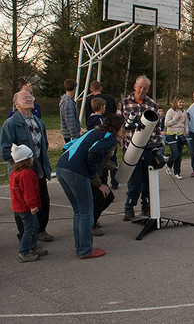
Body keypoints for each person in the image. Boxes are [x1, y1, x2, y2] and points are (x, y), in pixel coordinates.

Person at [56, 114, 125, 259]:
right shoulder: (109, 137)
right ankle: (86, 250)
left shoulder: (95, 131)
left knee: (78, 211)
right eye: (123, 128)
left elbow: (67, 146)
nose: (124, 131)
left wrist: (113, 168)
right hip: (77, 172)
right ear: (117, 127)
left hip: (62, 167)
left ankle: (81, 247)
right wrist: (97, 182)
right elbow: (94, 154)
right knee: (86, 211)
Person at [1, 90, 54, 242]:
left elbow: (44, 145)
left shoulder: (38, 122)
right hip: (23, 174)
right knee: (24, 206)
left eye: (31, 97)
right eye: (25, 98)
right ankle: (24, 237)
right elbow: (5, 150)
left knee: (43, 201)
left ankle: (40, 231)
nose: (29, 99)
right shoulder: (11, 124)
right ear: (16, 104)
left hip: (39, 171)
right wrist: (21, 163)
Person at [117, 75, 161, 221]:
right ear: (135, 86)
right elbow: (119, 125)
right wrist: (122, 142)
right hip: (131, 147)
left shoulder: (152, 104)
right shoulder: (124, 103)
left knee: (147, 179)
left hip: (147, 147)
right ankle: (129, 207)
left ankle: (146, 205)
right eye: (140, 87)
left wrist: (156, 142)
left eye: (145, 88)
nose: (142, 90)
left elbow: (156, 127)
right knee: (134, 180)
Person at [10, 143, 47, 263]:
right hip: (26, 207)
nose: (32, 159)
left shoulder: (15, 172)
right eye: (31, 157)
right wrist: (33, 205)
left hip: (19, 206)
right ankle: (24, 251)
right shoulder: (26, 174)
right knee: (30, 228)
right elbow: (28, 191)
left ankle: (32, 247)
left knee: (33, 227)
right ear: (26, 160)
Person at [84, 81, 118, 189]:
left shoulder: (89, 101)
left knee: (103, 159)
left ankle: (103, 180)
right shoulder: (110, 99)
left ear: (91, 89)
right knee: (110, 157)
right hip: (108, 132)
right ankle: (114, 180)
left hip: (98, 137)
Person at [164, 95, 188, 180]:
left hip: (181, 134)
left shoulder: (184, 112)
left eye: (182, 102)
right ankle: (168, 164)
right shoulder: (170, 111)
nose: (181, 104)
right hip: (171, 134)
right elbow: (166, 124)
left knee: (179, 155)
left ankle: (177, 172)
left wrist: (186, 132)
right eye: (180, 102)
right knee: (175, 153)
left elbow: (185, 123)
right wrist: (175, 119)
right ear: (176, 102)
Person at [60, 79, 81, 144]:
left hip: (69, 134)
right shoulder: (68, 102)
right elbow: (70, 121)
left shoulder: (66, 100)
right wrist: (75, 136)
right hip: (70, 135)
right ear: (75, 88)